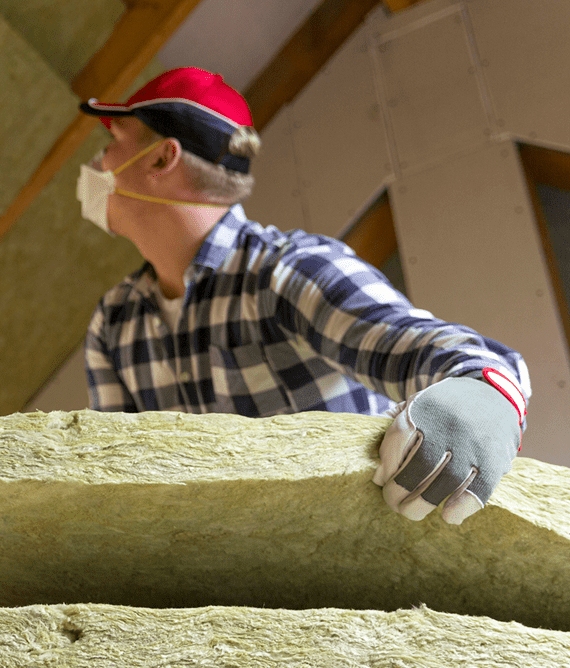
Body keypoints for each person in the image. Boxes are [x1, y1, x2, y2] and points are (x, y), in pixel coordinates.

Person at [76, 67, 529, 525]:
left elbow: (445, 352)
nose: (98, 164)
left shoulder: (285, 273)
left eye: (112, 142)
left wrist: (485, 397)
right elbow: (120, 485)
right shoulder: (113, 324)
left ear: (160, 159)